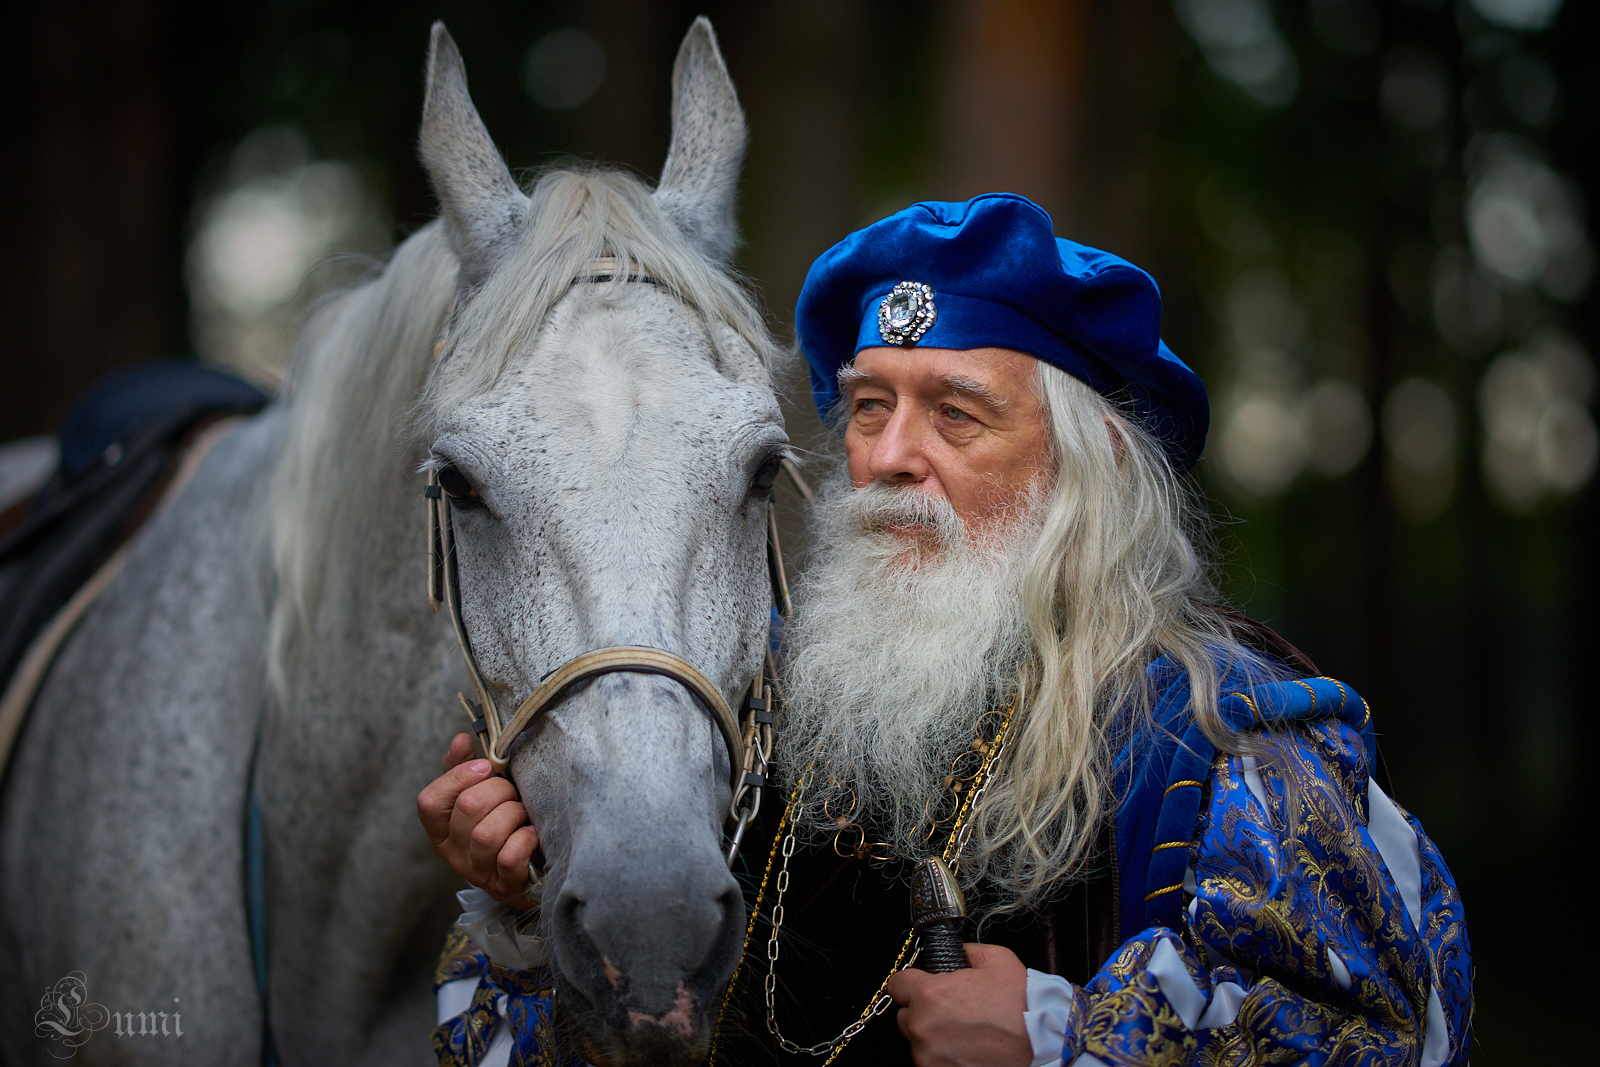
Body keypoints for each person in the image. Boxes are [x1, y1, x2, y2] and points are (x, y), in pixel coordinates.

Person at [418, 193, 1472, 1067]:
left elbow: (1389, 1034)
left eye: (955, 414)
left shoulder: (1226, 734)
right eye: (868, 406)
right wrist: (525, 908)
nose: (886, 457)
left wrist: (1066, 1044)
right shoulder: (763, 721)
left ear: (1088, 467)